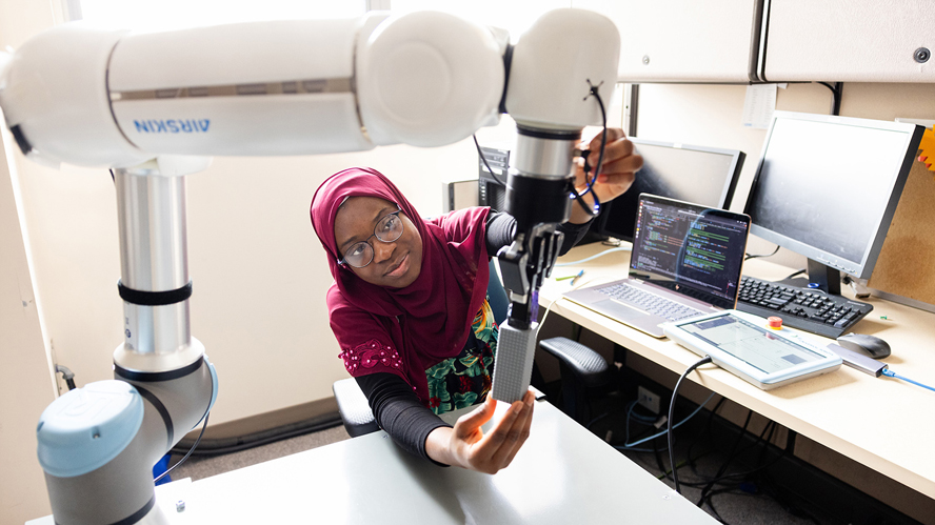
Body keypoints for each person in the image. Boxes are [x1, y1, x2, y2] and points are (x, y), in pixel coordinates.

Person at [310, 129, 642, 474]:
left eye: (387, 224)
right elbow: (390, 400)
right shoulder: (350, 305)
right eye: (357, 249)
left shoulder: (458, 234)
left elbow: (525, 239)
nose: (383, 251)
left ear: (403, 208)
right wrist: (454, 448)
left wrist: (582, 202)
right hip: (428, 444)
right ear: (339, 260)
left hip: (504, 417)